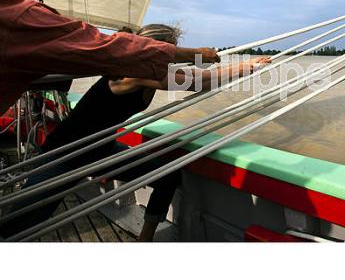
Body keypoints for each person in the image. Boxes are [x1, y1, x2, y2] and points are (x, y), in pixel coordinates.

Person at [0, 24, 270, 241]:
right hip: (65, 154)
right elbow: (195, 81)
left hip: (100, 150)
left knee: (167, 175)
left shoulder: (151, 74)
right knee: (23, 224)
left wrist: (249, 65)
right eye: (168, 52)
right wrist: (242, 67)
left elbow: (197, 78)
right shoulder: (126, 75)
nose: (170, 58)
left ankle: (145, 241)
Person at [0, 0, 220, 115]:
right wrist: (196, 54)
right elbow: (111, 48)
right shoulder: (15, 15)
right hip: (75, 157)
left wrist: (244, 66)